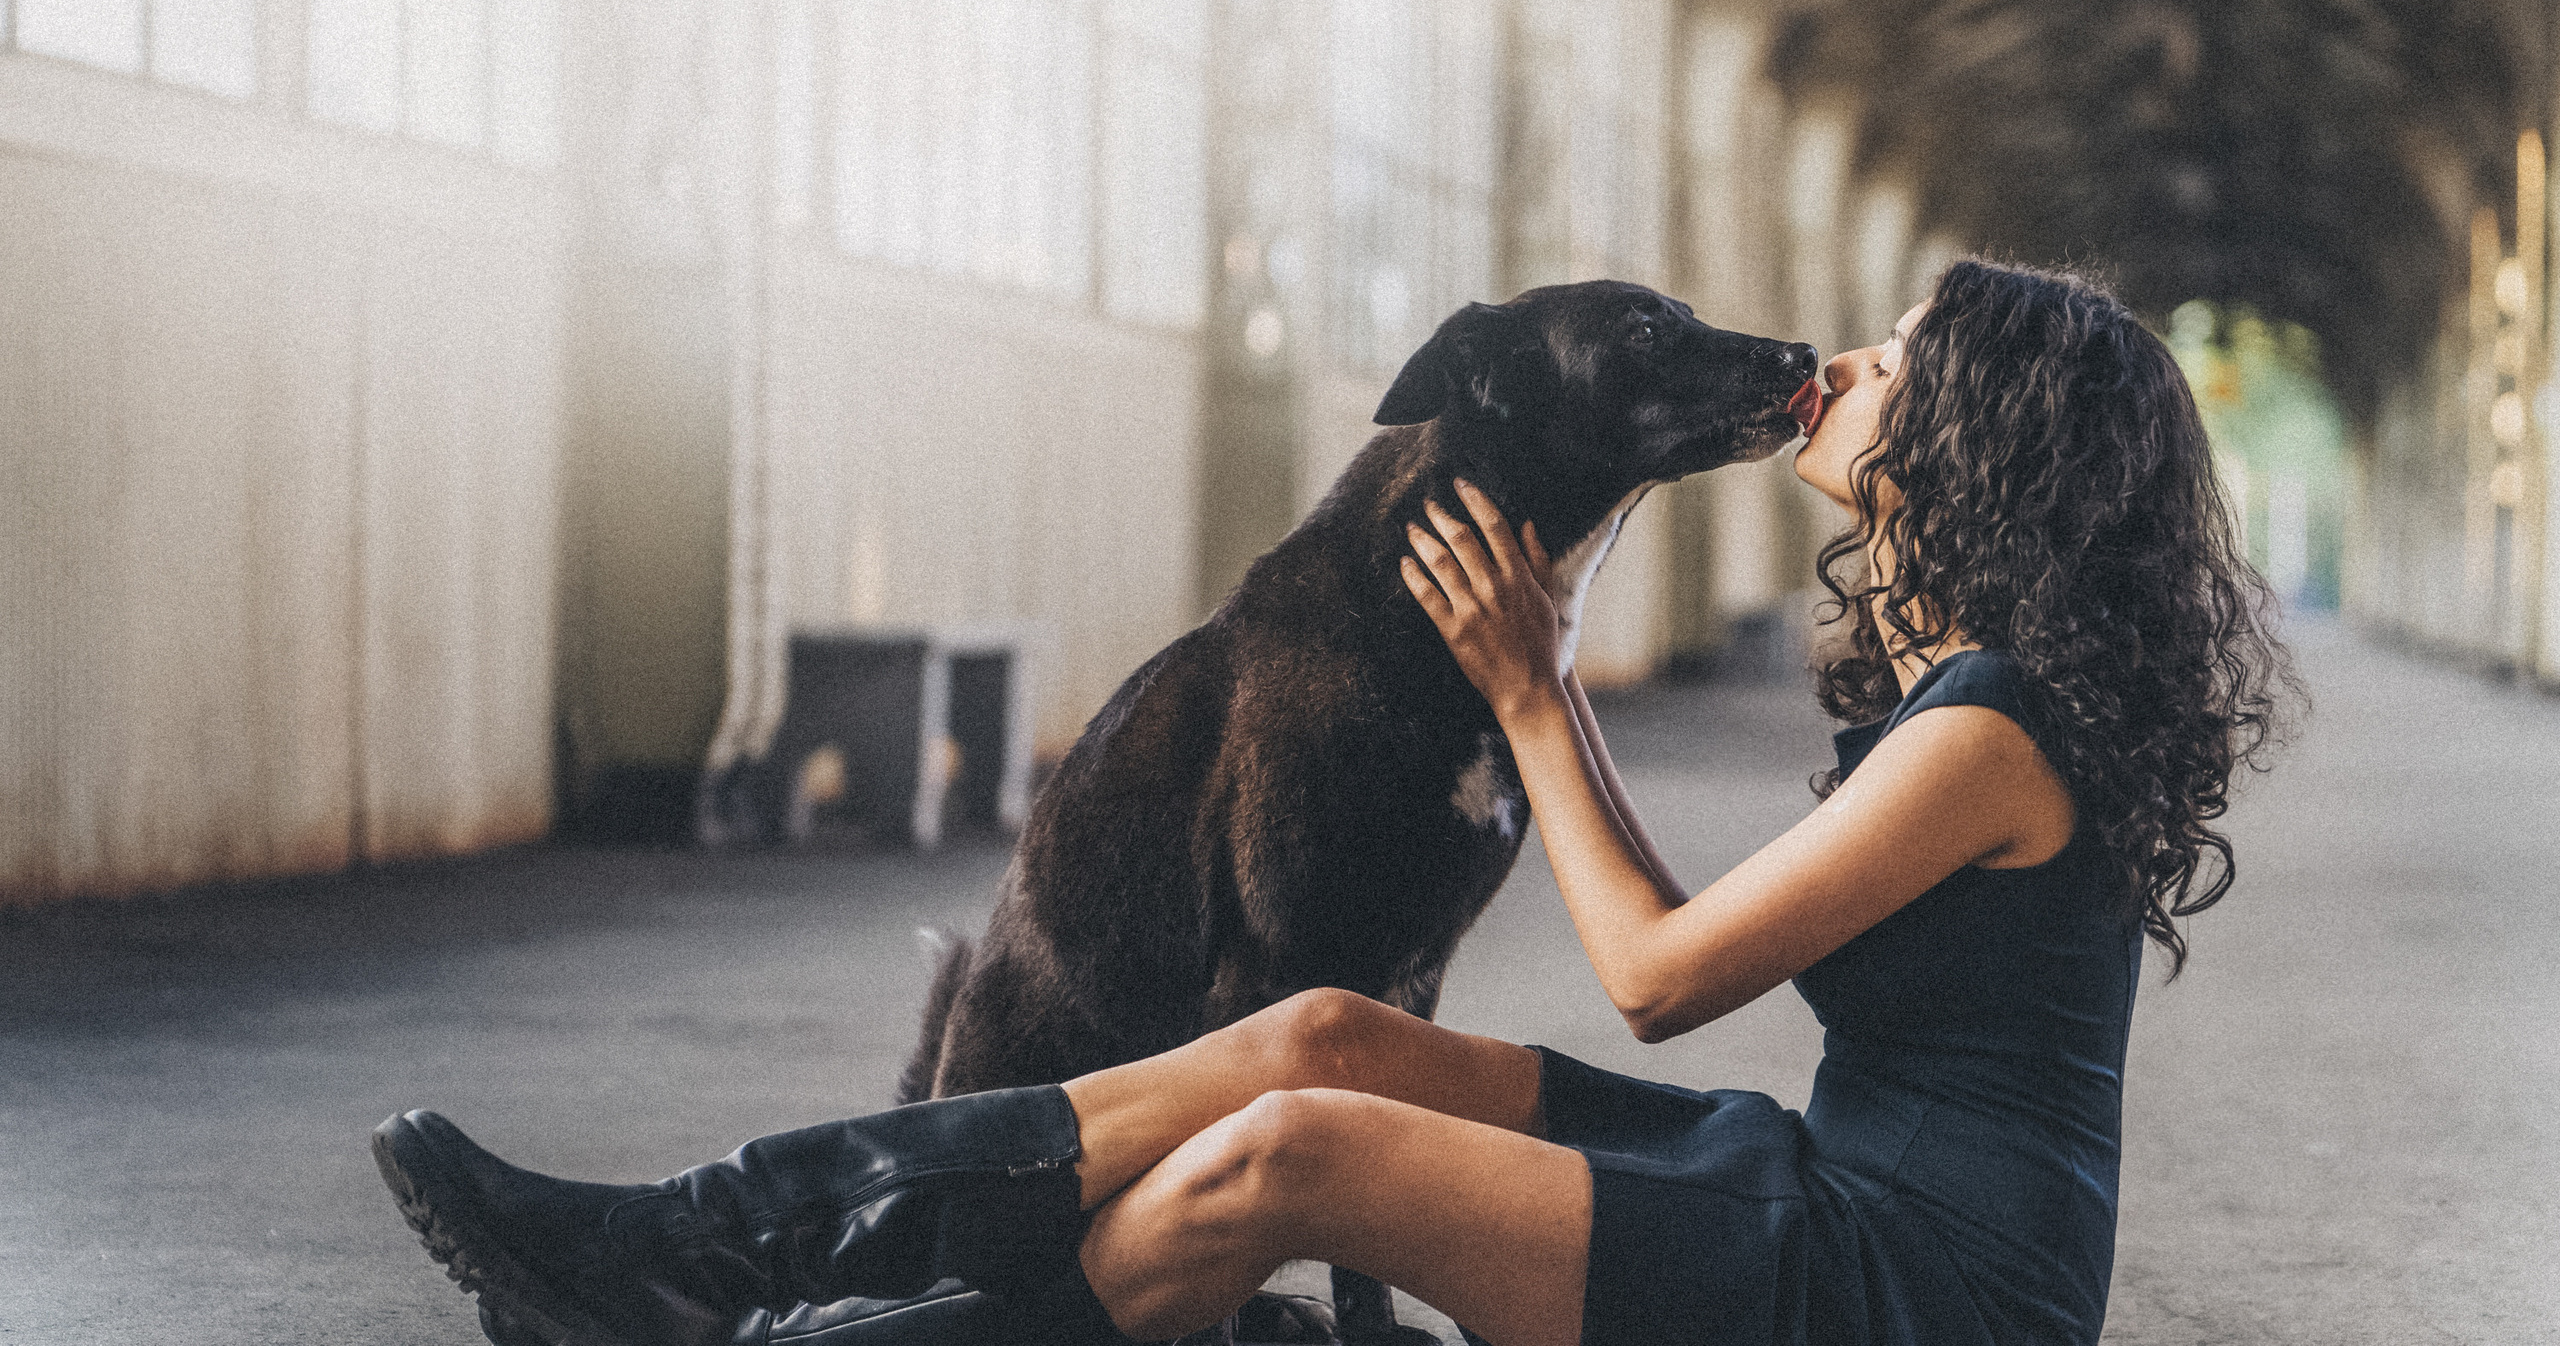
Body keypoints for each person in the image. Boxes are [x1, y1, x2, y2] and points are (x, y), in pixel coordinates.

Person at [376, 259, 2291, 1346]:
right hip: (1832, 1195)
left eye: (1900, 364)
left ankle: (733, 1323)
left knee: (1290, 1156)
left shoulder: (1993, 732)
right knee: (1317, 1038)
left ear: (1982, 443)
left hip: (1915, 1297)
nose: (1844, 364)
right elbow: (1676, 963)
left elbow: (1651, 972)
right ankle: (683, 1244)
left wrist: (1534, 692)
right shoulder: (1981, 702)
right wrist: (1540, 693)